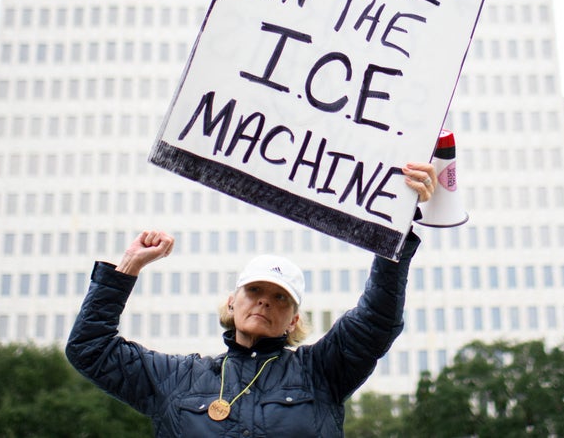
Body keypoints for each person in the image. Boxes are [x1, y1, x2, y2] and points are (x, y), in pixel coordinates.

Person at [65, 161, 437, 437]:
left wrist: (397, 226)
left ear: (293, 321)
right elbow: (90, 350)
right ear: (231, 303)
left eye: (280, 298)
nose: (264, 302)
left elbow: (375, 321)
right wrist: (128, 265)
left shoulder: (320, 372)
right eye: (254, 291)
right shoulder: (178, 379)